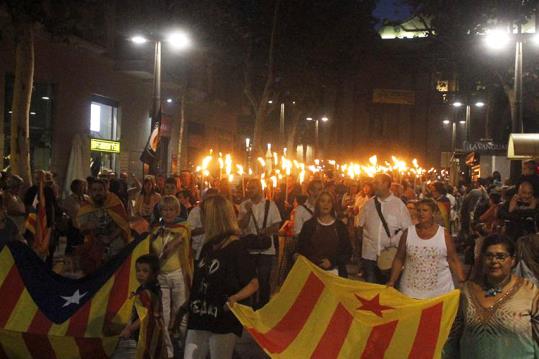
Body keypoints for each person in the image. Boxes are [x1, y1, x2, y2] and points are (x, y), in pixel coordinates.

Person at [185, 195, 258, 359]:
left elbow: (253, 283)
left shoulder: (236, 248)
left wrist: (234, 298)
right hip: (199, 315)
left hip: (222, 319)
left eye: (204, 215)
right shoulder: (208, 246)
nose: (201, 219)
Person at [444, 235, 539, 358]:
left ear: (513, 260)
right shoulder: (468, 291)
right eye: (489, 256)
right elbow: (454, 336)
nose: (494, 261)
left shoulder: (529, 292)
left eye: (501, 257)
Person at [387, 199, 465, 298]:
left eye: (425, 210)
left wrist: (462, 281)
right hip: (410, 292)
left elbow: (453, 259)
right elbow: (399, 258)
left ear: (433, 212)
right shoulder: (408, 233)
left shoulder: (443, 234)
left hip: (439, 292)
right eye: (418, 210)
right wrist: (392, 281)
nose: (421, 213)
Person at [150, 195, 193, 358]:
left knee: (181, 313)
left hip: (178, 275)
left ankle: (186, 348)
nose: (167, 213)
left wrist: (171, 245)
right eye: (164, 210)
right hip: (161, 276)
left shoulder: (183, 227)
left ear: (177, 211)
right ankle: (168, 352)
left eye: (171, 210)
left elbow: (181, 239)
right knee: (163, 315)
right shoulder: (155, 230)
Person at [358, 173, 411, 283]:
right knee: (371, 290)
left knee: (389, 289)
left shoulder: (399, 205)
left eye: (377, 183)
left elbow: (407, 229)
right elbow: (360, 225)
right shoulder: (368, 204)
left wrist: (393, 242)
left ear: (386, 184)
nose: (374, 185)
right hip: (369, 257)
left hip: (390, 258)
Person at [238, 179, 281, 309]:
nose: (250, 190)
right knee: (249, 279)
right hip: (250, 248)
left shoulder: (270, 204)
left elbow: (276, 225)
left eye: (253, 188)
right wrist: (248, 212)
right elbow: (241, 225)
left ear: (260, 189)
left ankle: (263, 305)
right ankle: (249, 304)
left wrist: (265, 231)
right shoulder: (244, 205)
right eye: (248, 187)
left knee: (263, 278)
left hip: (265, 250)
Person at [77, 179, 131, 273]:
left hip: (116, 247)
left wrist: (110, 237)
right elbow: (82, 228)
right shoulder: (86, 205)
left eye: (100, 190)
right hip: (95, 248)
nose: (98, 193)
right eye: (94, 190)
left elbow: (123, 224)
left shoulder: (114, 202)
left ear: (105, 190)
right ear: (90, 192)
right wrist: (88, 227)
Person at [296, 191, 352, 277]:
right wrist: (316, 261)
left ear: (332, 205)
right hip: (312, 273)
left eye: (329, 201)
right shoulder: (309, 226)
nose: (326, 204)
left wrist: (332, 262)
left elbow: (347, 251)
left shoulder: (340, 227)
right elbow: (302, 248)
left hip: (335, 274)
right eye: (323, 201)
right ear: (318, 204)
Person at [120, 254, 165, 359]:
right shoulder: (146, 289)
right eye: (138, 270)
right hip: (154, 330)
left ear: (154, 274)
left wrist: (130, 329)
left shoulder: (146, 292)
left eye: (145, 271)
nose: (140, 274)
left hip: (148, 332)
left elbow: (144, 316)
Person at [187, 188, 219, 261]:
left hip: (215, 249)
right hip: (197, 249)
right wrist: (206, 228)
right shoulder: (196, 211)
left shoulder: (219, 211)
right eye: (209, 198)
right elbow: (189, 231)